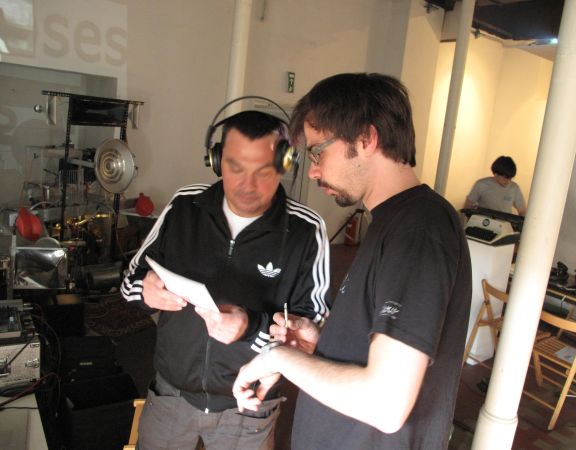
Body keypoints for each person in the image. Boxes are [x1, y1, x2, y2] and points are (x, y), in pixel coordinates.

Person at [233, 73, 472, 450]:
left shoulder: (419, 230)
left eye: (318, 152)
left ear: (366, 139)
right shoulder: (391, 223)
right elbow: (379, 346)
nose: (313, 171)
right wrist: (323, 345)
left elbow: (386, 404)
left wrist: (277, 358)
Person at [120, 109, 330, 450]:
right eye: (235, 168)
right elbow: (130, 278)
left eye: (263, 171)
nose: (248, 185)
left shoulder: (306, 230)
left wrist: (250, 327)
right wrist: (145, 291)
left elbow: (311, 330)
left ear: (285, 165)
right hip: (170, 397)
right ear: (216, 161)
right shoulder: (184, 206)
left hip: (248, 405)